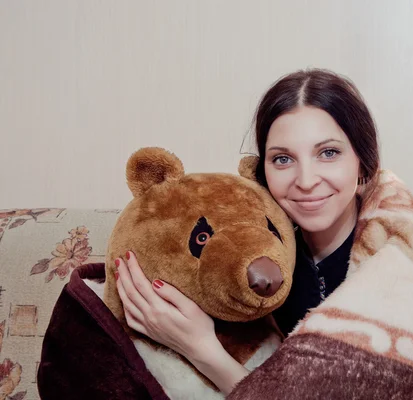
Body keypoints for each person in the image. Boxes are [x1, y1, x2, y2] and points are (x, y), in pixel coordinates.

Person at [113, 68, 380, 395]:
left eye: (328, 153)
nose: (307, 180)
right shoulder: (258, 259)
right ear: (262, 170)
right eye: (283, 159)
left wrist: (200, 348)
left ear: (363, 162)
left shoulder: (406, 258)